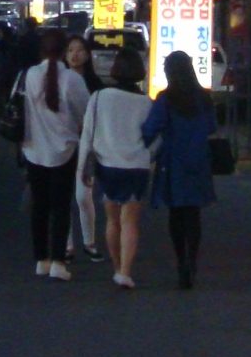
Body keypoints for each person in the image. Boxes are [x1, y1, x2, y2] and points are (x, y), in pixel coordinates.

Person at [15, 28, 91, 280]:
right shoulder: (72, 80)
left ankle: (41, 259)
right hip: (65, 150)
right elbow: (85, 113)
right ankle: (59, 260)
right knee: (61, 207)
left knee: (39, 207)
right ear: (63, 52)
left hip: (34, 149)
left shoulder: (29, 75)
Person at [78, 47, 154, 287]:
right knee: (130, 220)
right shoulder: (146, 103)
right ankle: (125, 271)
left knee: (112, 219)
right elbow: (156, 137)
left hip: (107, 164)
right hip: (137, 166)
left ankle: (116, 265)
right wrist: (147, 155)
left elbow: (87, 134)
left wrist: (82, 168)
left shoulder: (100, 97)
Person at [143, 50, 217, 289]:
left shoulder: (166, 98)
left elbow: (150, 129)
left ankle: (180, 261)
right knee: (193, 214)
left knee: (176, 214)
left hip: (173, 161)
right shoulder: (204, 98)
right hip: (198, 161)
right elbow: (211, 127)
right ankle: (192, 260)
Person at [63, 33, 104, 257]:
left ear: (87, 55)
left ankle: (89, 242)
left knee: (83, 195)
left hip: (87, 146)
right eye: (70, 50)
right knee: (64, 196)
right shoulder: (60, 81)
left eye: (79, 50)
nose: (75, 55)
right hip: (64, 144)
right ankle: (68, 244)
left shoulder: (95, 84)